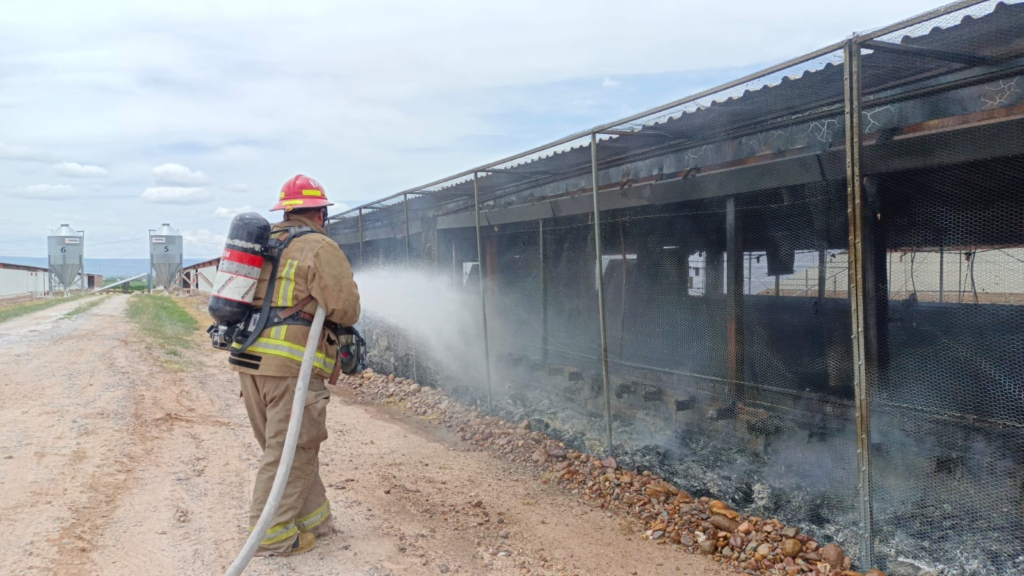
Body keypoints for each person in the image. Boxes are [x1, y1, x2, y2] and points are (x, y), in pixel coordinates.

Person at [229, 174, 360, 556]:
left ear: (286, 211)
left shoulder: (266, 242)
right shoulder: (319, 246)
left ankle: (314, 518)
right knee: (293, 449)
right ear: (320, 213)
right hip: (290, 367)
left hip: (251, 363)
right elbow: (346, 309)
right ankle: (271, 534)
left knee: (290, 446)